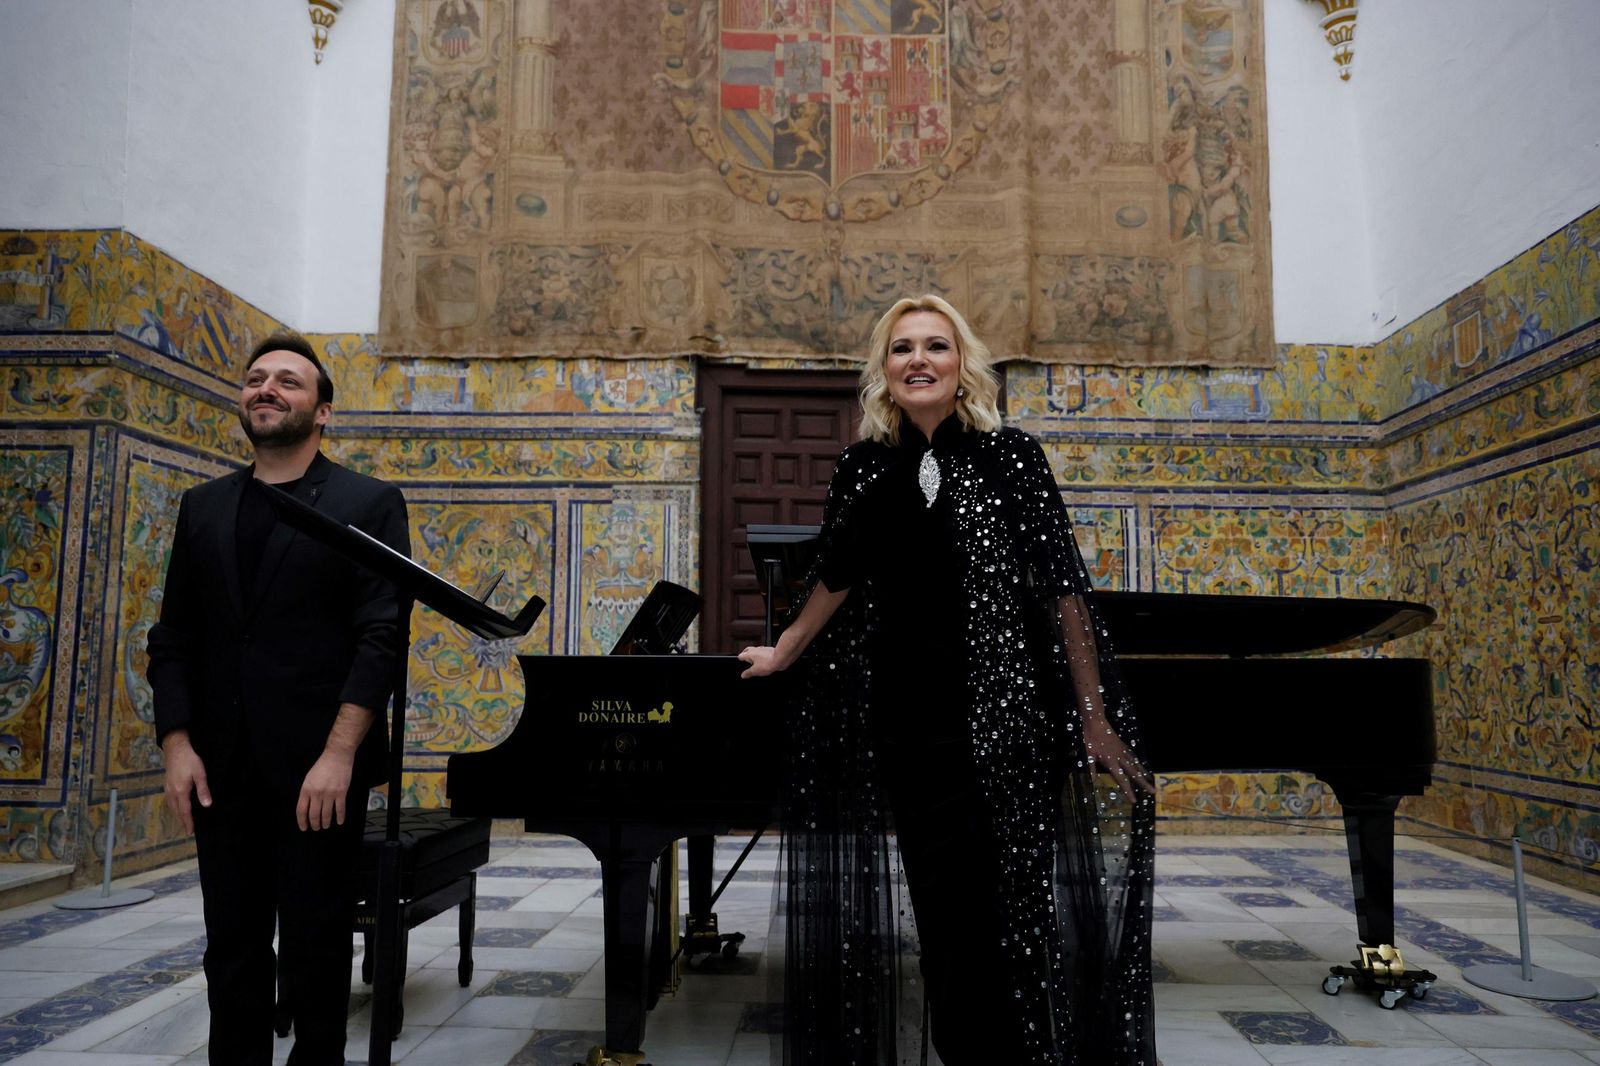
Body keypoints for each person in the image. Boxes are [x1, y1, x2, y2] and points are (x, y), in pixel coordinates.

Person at [739, 295, 1156, 1065]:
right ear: (885, 371)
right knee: (942, 923)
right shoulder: (863, 467)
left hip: (1006, 725)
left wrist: (1092, 717)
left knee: (1008, 919)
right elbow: (836, 574)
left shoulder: (1014, 457)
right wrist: (785, 650)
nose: (919, 360)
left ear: (963, 366)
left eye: (936, 346)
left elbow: (1064, 591)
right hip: (911, 729)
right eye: (902, 349)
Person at [147, 332, 410, 1065]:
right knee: (230, 949)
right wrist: (177, 745)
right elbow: (173, 638)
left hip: (316, 772)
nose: (266, 389)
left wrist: (339, 754)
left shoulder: (368, 501)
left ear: (322, 411)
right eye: (256, 379)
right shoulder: (203, 508)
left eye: (288, 382)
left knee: (316, 946)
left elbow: (381, 637)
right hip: (219, 769)